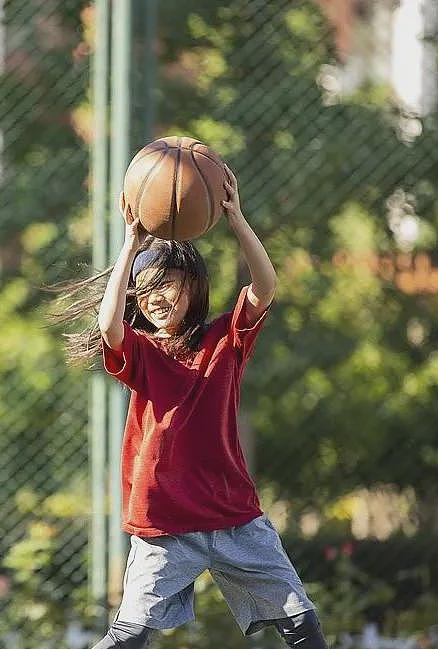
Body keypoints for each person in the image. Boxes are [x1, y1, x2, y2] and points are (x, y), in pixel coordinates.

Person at [56, 168, 327, 648]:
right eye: (147, 287)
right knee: (127, 637)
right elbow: (109, 324)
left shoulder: (226, 338)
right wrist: (130, 245)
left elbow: (266, 287)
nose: (156, 296)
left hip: (233, 516)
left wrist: (237, 219)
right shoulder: (140, 351)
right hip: (163, 523)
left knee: (303, 624)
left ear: (195, 288)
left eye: (169, 284)